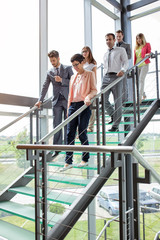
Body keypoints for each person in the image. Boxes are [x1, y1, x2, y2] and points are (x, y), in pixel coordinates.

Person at [60, 53, 97, 171]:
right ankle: (68, 162)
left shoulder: (90, 74)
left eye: (77, 65)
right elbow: (70, 95)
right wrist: (68, 108)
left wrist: (88, 97)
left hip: (83, 105)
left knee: (82, 132)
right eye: (73, 66)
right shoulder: (73, 77)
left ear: (83, 62)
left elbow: (94, 90)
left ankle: (85, 159)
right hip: (73, 106)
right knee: (69, 133)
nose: (75, 68)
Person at [35, 50, 73, 158]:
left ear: (58, 58)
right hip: (56, 101)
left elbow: (74, 82)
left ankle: (68, 148)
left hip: (67, 99)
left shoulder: (68, 68)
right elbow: (45, 86)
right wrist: (40, 100)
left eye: (54, 60)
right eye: (51, 61)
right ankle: (57, 148)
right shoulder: (49, 72)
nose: (52, 62)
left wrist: (62, 80)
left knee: (67, 124)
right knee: (56, 125)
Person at [101, 33, 128, 132]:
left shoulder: (121, 50)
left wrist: (123, 70)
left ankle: (115, 125)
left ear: (114, 40)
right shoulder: (105, 54)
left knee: (117, 101)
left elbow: (126, 62)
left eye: (109, 39)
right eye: (106, 40)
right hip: (106, 77)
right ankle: (113, 115)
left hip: (117, 76)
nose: (108, 41)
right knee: (103, 99)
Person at [81, 46, 97, 132]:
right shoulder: (81, 64)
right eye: (83, 51)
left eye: (86, 51)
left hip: (90, 88)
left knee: (92, 108)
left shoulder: (92, 64)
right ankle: (82, 128)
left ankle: (90, 127)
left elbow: (95, 77)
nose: (84, 53)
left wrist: (93, 88)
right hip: (82, 88)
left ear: (89, 52)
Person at [134, 33, 151, 102]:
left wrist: (148, 54)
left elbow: (149, 52)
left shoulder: (147, 44)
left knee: (141, 80)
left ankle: (139, 98)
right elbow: (135, 57)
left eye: (139, 38)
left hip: (144, 64)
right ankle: (143, 94)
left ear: (142, 38)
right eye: (137, 39)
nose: (138, 40)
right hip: (137, 65)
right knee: (136, 81)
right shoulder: (136, 47)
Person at [116, 30, 131, 103]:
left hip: (123, 67)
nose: (118, 38)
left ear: (122, 36)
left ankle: (124, 101)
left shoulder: (127, 45)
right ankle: (118, 102)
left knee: (124, 85)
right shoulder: (114, 46)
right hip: (115, 68)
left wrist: (122, 57)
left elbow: (129, 56)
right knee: (116, 86)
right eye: (117, 36)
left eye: (119, 36)